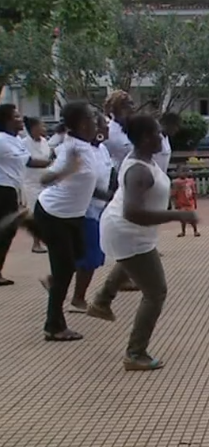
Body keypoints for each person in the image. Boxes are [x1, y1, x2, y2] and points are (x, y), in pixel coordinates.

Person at [88, 114, 198, 371]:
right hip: (127, 230)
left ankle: (102, 300)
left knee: (134, 262)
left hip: (131, 232)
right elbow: (133, 212)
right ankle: (135, 353)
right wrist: (177, 214)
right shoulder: (138, 169)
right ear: (146, 138)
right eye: (158, 133)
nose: (161, 137)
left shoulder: (144, 159)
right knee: (155, 292)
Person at [34, 101, 99, 341]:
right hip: (53, 214)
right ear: (83, 124)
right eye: (93, 117)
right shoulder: (73, 150)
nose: (96, 121)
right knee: (64, 270)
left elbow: (88, 184)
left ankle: (54, 284)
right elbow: (45, 178)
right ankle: (53, 326)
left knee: (73, 262)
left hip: (71, 216)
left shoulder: (83, 146)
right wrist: (66, 169)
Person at [0, 104, 52, 286]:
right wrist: (59, 165)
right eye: (16, 116)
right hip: (3, 190)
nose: (21, 119)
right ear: (6, 120)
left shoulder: (15, 139)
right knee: (7, 231)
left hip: (13, 190)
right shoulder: (2, 140)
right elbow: (30, 161)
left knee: (8, 231)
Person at [68, 114, 114, 313]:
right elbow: (84, 184)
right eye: (103, 126)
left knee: (87, 254)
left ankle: (56, 280)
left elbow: (110, 173)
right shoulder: (80, 152)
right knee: (91, 256)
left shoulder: (102, 149)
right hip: (84, 209)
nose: (107, 130)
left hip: (98, 208)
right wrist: (110, 196)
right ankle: (78, 299)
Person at [102, 90, 138, 291]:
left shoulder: (125, 129)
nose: (132, 108)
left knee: (128, 232)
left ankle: (122, 276)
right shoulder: (112, 131)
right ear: (118, 109)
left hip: (126, 182)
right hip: (115, 182)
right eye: (129, 105)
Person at [22, 116, 53, 253]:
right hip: (32, 184)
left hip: (46, 183)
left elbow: (49, 157)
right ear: (34, 128)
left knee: (47, 214)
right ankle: (36, 243)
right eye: (42, 126)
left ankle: (45, 240)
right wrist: (48, 163)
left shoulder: (45, 142)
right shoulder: (23, 144)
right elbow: (29, 162)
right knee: (35, 215)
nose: (44, 129)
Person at [172, 164, 199, 237]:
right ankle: (183, 231)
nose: (184, 173)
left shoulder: (191, 181)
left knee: (192, 217)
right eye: (182, 171)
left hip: (190, 203)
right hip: (181, 203)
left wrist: (195, 202)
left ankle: (195, 231)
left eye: (186, 171)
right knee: (182, 219)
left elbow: (194, 193)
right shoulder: (176, 183)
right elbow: (174, 194)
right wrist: (175, 204)